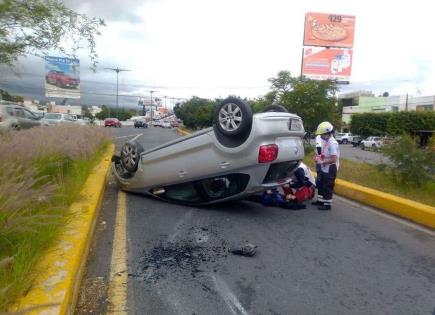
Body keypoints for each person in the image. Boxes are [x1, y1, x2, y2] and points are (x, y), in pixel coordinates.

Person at [312, 121, 340, 211]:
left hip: (331, 167)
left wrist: (322, 162)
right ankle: (321, 200)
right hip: (325, 166)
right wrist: (318, 157)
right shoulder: (326, 140)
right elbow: (323, 153)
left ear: (327, 133)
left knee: (327, 185)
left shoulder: (332, 143)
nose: (320, 136)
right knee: (321, 184)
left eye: (322, 134)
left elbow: (334, 159)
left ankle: (327, 204)